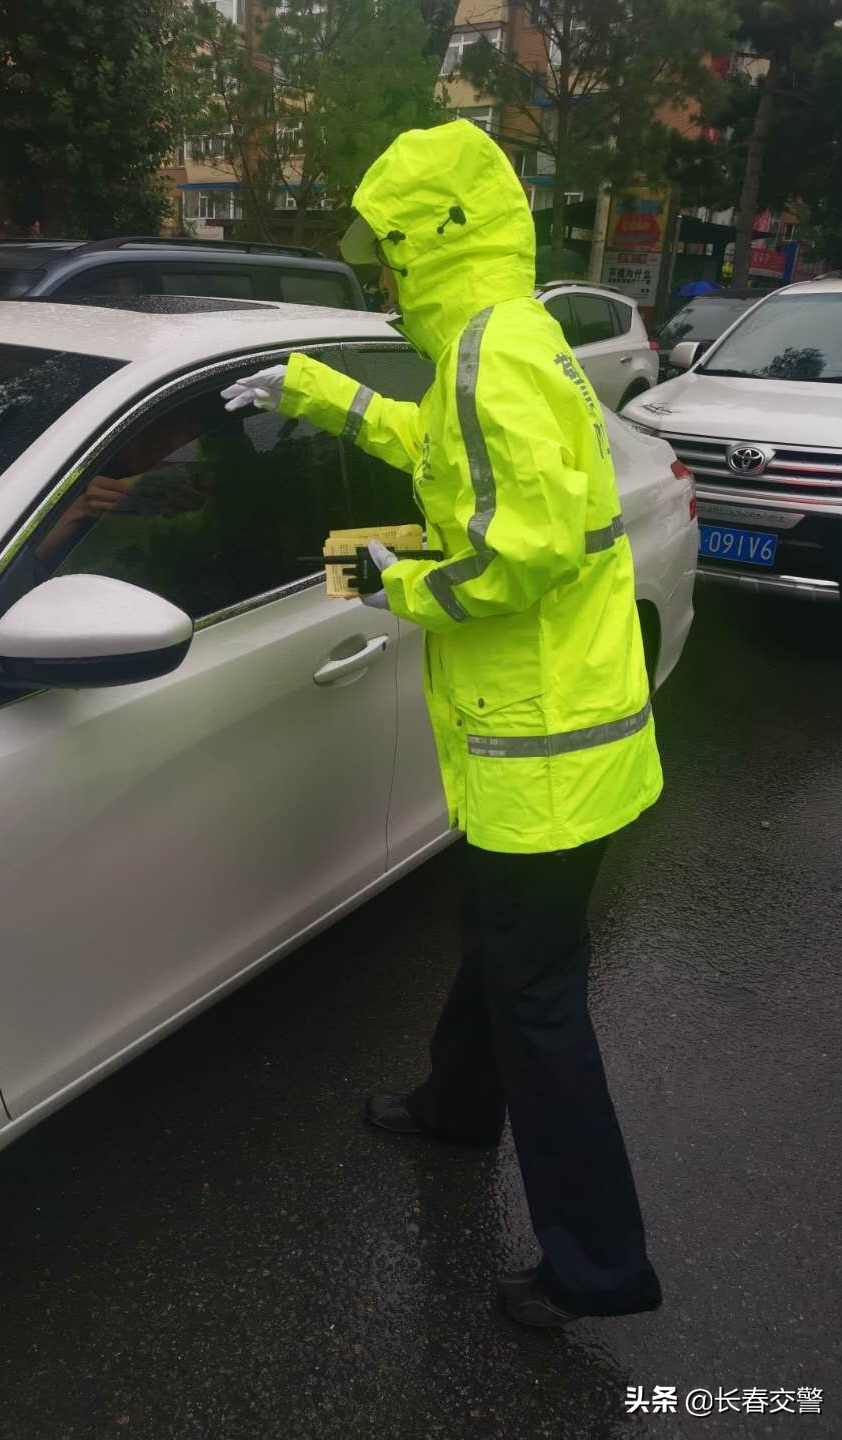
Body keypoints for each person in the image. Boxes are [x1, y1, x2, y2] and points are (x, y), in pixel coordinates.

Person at [221, 120, 664, 1328]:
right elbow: (442, 454)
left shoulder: (486, 355)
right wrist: (312, 391)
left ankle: (598, 1263)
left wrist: (387, 583)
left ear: (430, 239)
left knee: (540, 999)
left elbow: (510, 562)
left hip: (543, 747)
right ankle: (459, 1108)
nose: (379, 265)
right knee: (500, 943)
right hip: (566, 729)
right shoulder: (504, 338)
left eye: (388, 243)